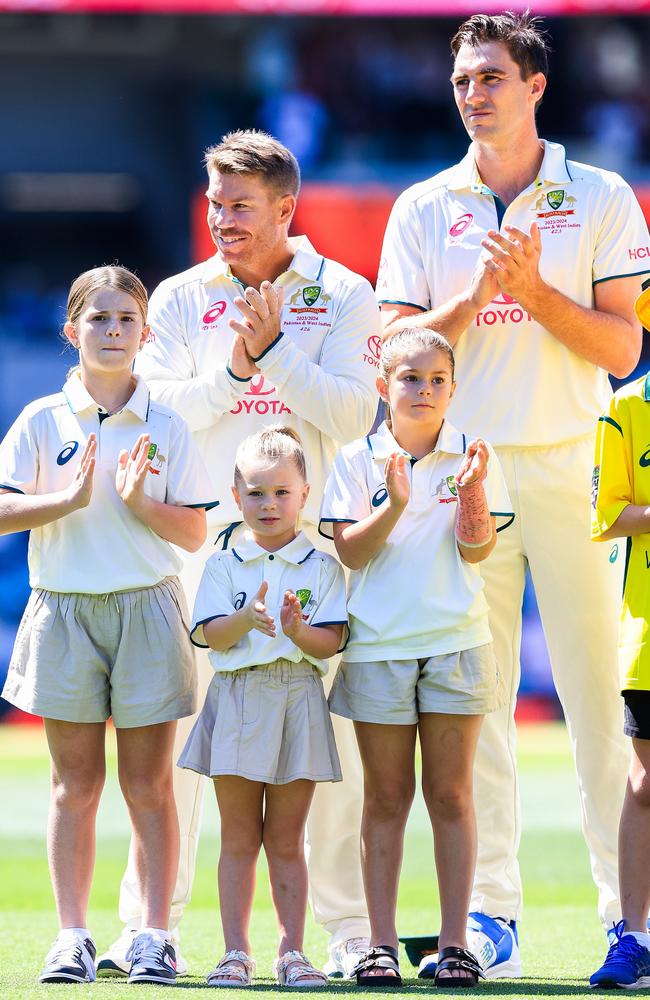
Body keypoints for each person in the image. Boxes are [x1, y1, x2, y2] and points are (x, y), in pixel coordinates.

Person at [377, 10, 650, 978]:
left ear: (535, 86)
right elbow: (394, 353)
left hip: (578, 469)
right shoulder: (421, 206)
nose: (471, 93)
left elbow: (623, 349)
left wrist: (534, 296)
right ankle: (489, 916)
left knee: (598, 706)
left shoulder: (603, 194)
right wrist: (479, 299)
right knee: (476, 710)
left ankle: (630, 919)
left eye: (489, 76)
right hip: (462, 475)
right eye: (460, 79)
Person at [100, 129, 380, 978]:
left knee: (327, 751)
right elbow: (160, 410)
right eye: (216, 203)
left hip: (311, 561)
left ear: (287, 208)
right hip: (200, 554)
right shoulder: (182, 297)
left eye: (241, 206)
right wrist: (235, 367)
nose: (222, 218)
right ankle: (152, 926)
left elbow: (352, 416)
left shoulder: (344, 293)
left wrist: (278, 352)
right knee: (175, 746)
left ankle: (346, 935)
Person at [0, 265, 215, 986]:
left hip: (147, 608)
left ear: (145, 334)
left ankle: (154, 934)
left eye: (126, 319)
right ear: (72, 331)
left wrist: (141, 504)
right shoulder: (40, 419)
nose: (113, 331)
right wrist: (64, 498)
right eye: (99, 319)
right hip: (63, 608)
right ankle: (71, 937)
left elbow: (191, 532)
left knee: (150, 786)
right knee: (74, 786)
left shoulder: (167, 423)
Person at [320, 328, 513, 988]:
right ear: (384, 386)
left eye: (436, 380)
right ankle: (378, 943)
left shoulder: (475, 456)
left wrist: (473, 493)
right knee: (385, 798)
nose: (423, 390)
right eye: (409, 378)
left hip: (457, 643)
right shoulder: (356, 460)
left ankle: (457, 943)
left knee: (452, 795)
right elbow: (350, 552)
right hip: (378, 649)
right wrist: (396, 503)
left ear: (453, 389)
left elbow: (479, 549)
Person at [179, 425, 346, 987]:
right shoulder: (225, 561)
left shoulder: (321, 566)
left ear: (304, 493)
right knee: (238, 837)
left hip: (298, 697)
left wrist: (298, 631)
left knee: (286, 838)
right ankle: (234, 953)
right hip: (238, 695)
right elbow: (211, 635)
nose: (268, 504)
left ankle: (293, 952)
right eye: (255, 492)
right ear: (236, 495)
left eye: (281, 492)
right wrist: (247, 618)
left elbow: (332, 641)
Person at [589, 281, 650, 990]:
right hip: (649, 628)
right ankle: (635, 937)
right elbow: (606, 515)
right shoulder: (626, 407)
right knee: (646, 780)